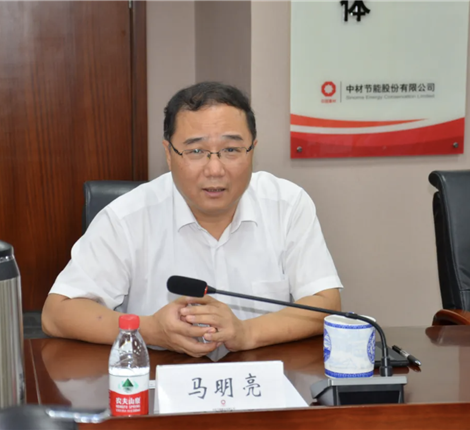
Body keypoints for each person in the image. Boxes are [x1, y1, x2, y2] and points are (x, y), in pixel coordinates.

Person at [42, 82, 342, 357]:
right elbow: (57, 314)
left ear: (252, 149)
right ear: (169, 153)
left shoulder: (287, 205)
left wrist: (246, 332)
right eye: (196, 150)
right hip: (160, 381)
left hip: (262, 384)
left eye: (231, 149)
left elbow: (326, 304)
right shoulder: (126, 217)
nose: (215, 169)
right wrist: (151, 329)